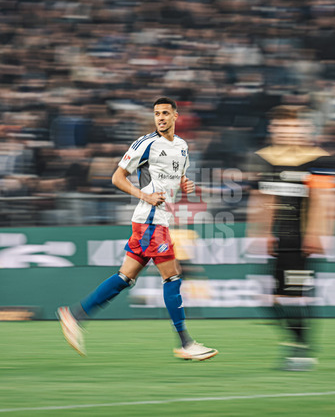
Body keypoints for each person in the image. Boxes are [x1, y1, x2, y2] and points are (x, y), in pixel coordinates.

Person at [57, 97, 218, 361]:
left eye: (165, 113)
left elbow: (177, 177)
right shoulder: (146, 143)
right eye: (157, 113)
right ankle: (186, 343)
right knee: (172, 277)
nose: (161, 117)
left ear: (175, 116)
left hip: (159, 219)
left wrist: (185, 184)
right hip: (149, 220)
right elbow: (117, 177)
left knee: (125, 277)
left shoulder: (182, 146)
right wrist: (145, 196)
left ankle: (75, 315)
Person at [247, 105, 335, 371]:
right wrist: (260, 232)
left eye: (294, 126)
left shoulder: (319, 160)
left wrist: (318, 233)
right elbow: (261, 198)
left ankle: (301, 353)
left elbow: (326, 200)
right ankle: (297, 345)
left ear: (306, 129)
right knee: (269, 300)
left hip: (302, 241)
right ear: (272, 129)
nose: (288, 132)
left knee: (297, 296)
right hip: (279, 239)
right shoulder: (264, 158)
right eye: (282, 126)